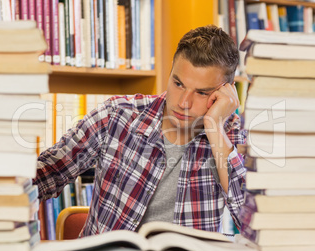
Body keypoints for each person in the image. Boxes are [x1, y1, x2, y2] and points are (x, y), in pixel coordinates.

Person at [33, 25, 247, 237]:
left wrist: (215, 128)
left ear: (225, 93)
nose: (184, 102)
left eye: (201, 92)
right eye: (178, 83)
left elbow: (251, 224)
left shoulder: (229, 135)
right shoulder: (116, 115)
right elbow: (46, 175)